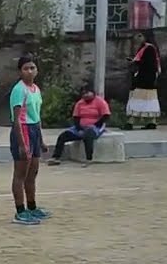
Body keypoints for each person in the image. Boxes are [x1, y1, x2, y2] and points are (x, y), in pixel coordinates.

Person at [9, 55, 49, 225]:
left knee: (32, 173)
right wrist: (22, 143)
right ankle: (20, 211)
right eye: (26, 68)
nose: (29, 71)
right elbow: (17, 119)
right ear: (20, 71)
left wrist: (40, 140)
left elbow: (37, 116)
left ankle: (32, 207)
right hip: (23, 129)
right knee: (20, 174)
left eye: (32, 67)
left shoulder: (36, 89)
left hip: (33, 129)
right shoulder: (19, 90)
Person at [47, 87, 111, 166]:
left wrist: (94, 125)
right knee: (63, 136)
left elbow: (106, 115)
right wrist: (79, 128)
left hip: (95, 126)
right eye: (84, 94)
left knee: (88, 135)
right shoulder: (80, 103)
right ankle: (56, 157)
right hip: (80, 127)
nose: (86, 95)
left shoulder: (100, 102)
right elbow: (76, 117)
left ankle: (88, 159)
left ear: (93, 93)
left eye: (87, 93)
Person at [126, 31, 161, 130]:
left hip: (145, 80)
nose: (137, 38)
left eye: (140, 36)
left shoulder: (149, 48)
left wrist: (136, 62)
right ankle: (150, 121)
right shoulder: (145, 48)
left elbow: (148, 64)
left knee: (139, 100)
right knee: (147, 101)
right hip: (146, 79)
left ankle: (131, 121)